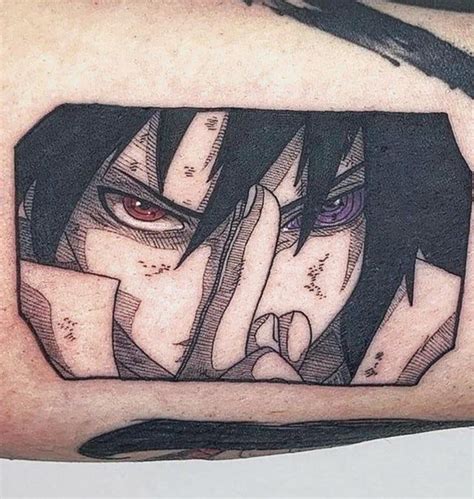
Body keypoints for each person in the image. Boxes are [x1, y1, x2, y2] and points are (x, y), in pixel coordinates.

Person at [1, 0, 473, 461]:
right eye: (143, 210)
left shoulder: (417, 325)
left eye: (331, 209)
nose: (258, 292)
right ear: (29, 205)